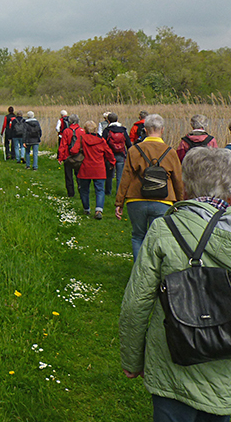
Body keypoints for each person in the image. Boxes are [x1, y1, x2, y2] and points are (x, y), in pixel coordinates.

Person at [120, 147, 231, 422]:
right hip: (224, 368)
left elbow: (137, 302)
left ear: (187, 182)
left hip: (172, 358)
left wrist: (133, 360)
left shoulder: (164, 229)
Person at [115, 113, 185, 260]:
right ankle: (154, 275)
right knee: (157, 239)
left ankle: (138, 272)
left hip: (136, 199)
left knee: (138, 236)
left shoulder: (134, 150)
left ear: (145, 130)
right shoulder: (170, 152)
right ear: (163, 130)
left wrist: (119, 202)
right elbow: (178, 180)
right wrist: (180, 203)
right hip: (163, 200)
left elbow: (125, 177)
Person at [77, 120, 115, 219]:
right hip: (99, 168)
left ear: (85, 129)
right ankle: (98, 210)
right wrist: (112, 162)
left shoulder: (82, 138)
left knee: (84, 190)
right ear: (95, 129)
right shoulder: (101, 140)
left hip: (85, 168)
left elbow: (73, 150)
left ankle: (86, 209)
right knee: (100, 190)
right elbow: (109, 152)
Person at [102, 112, 132, 197]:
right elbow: (129, 144)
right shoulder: (123, 130)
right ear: (117, 120)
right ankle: (119, 193)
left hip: (109, 155)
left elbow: (102, 143)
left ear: (108, 121)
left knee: (109, 174)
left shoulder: (107, 131)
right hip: (121, 155)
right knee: (119, 175)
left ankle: (108, 192)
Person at [57, 113, 83, 198]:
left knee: (68, 175)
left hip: (68, 156)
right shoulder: (82, 131)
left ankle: (70, 192)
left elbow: (63, 145)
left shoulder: (66, 131)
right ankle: (81, 188)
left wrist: (60, 157)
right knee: (79, 174)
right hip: (79, 157)